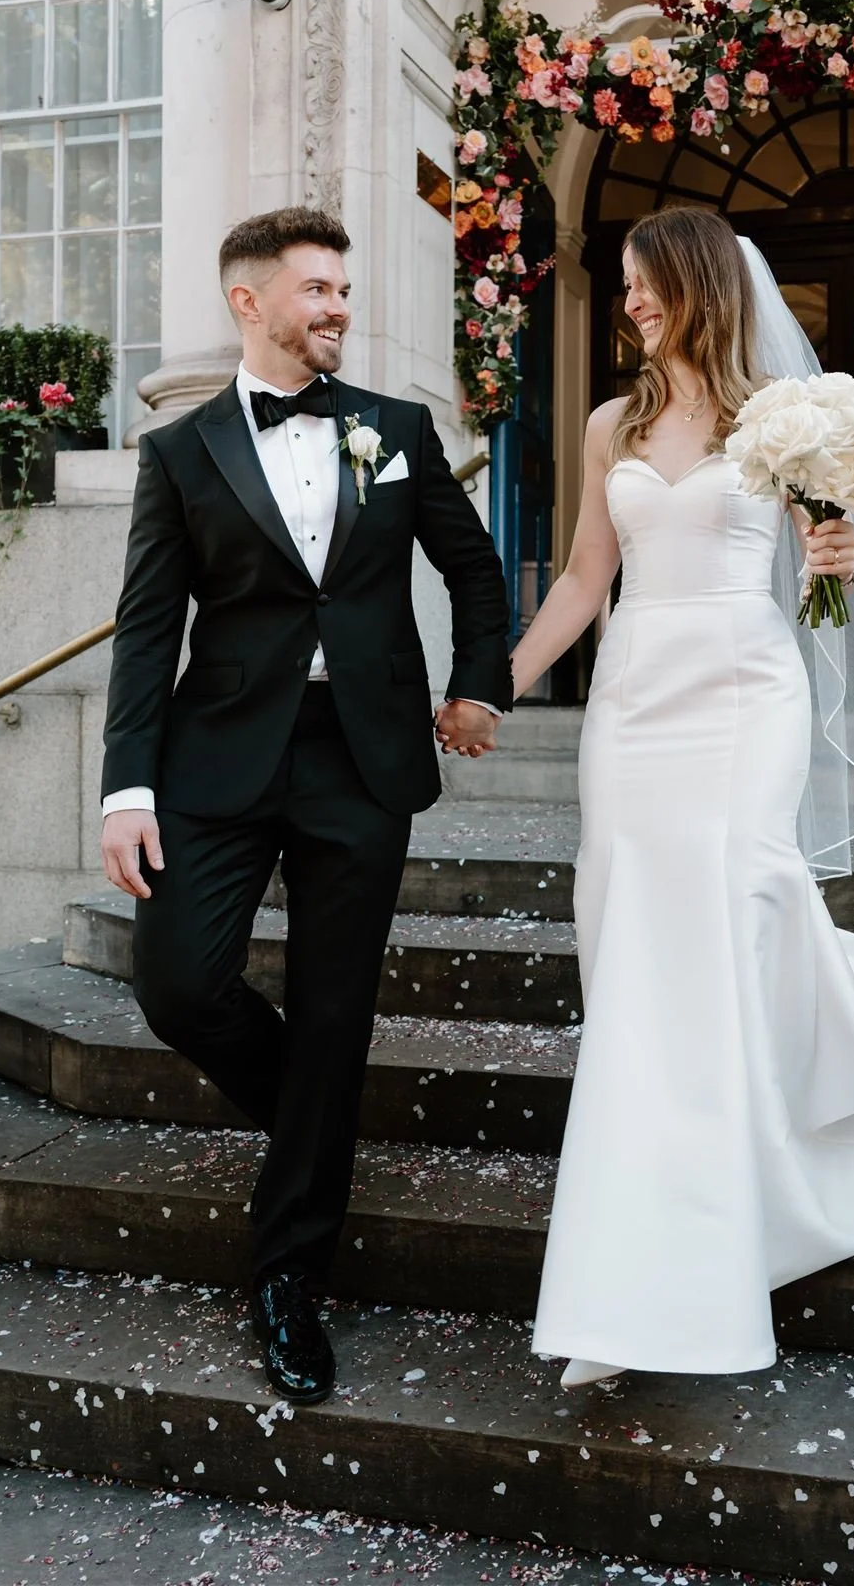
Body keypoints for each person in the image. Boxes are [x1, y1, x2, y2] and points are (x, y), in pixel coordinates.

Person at [511, 204, 854, 1387]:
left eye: (646, 285)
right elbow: (589, 575)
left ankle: (721, 1187)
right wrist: (491, 684)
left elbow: (828, 590)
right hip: (636, 702)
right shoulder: (611, 424)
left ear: (697, 284)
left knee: (741, 891)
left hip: (749, 695)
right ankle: (660, 1188)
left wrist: (840, 561)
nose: (632, 303)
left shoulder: (787, 420)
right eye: (627, 287)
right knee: (635, 932)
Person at [99, 206, 510, 1404]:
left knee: (335, 1012)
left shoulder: (395, 428)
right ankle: (317, 1124)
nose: (338, 306)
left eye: (341, 287)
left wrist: (478, 682)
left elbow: (471, 567)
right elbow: (145, 627)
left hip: (361, 758)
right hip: (214, 757)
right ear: (250, 302)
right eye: (317, 289)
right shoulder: (180, 452)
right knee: (179, 985)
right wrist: (128, 784)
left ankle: (287, 1277)